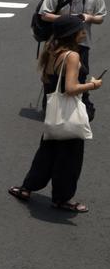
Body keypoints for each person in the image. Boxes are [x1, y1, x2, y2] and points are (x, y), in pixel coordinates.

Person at [9, 15, 101, 213]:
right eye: (80, 29)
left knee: (47, 153)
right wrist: (92, 85)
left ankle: (27, 188)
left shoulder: (51, 50)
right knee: (69, 159)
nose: (84, 31)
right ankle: (62, 199)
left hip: (54, 112)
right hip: (68, 114)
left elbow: (49, 80)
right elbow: (70, 88)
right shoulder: (72, 56)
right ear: (71, 34)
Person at [39, 0, 106, 75]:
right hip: (58, 43)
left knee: (80, 76)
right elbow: (44, 15)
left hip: (82, 43)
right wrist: (69, 20)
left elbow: (100, 18)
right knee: (53, 77)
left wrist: (89, 17)